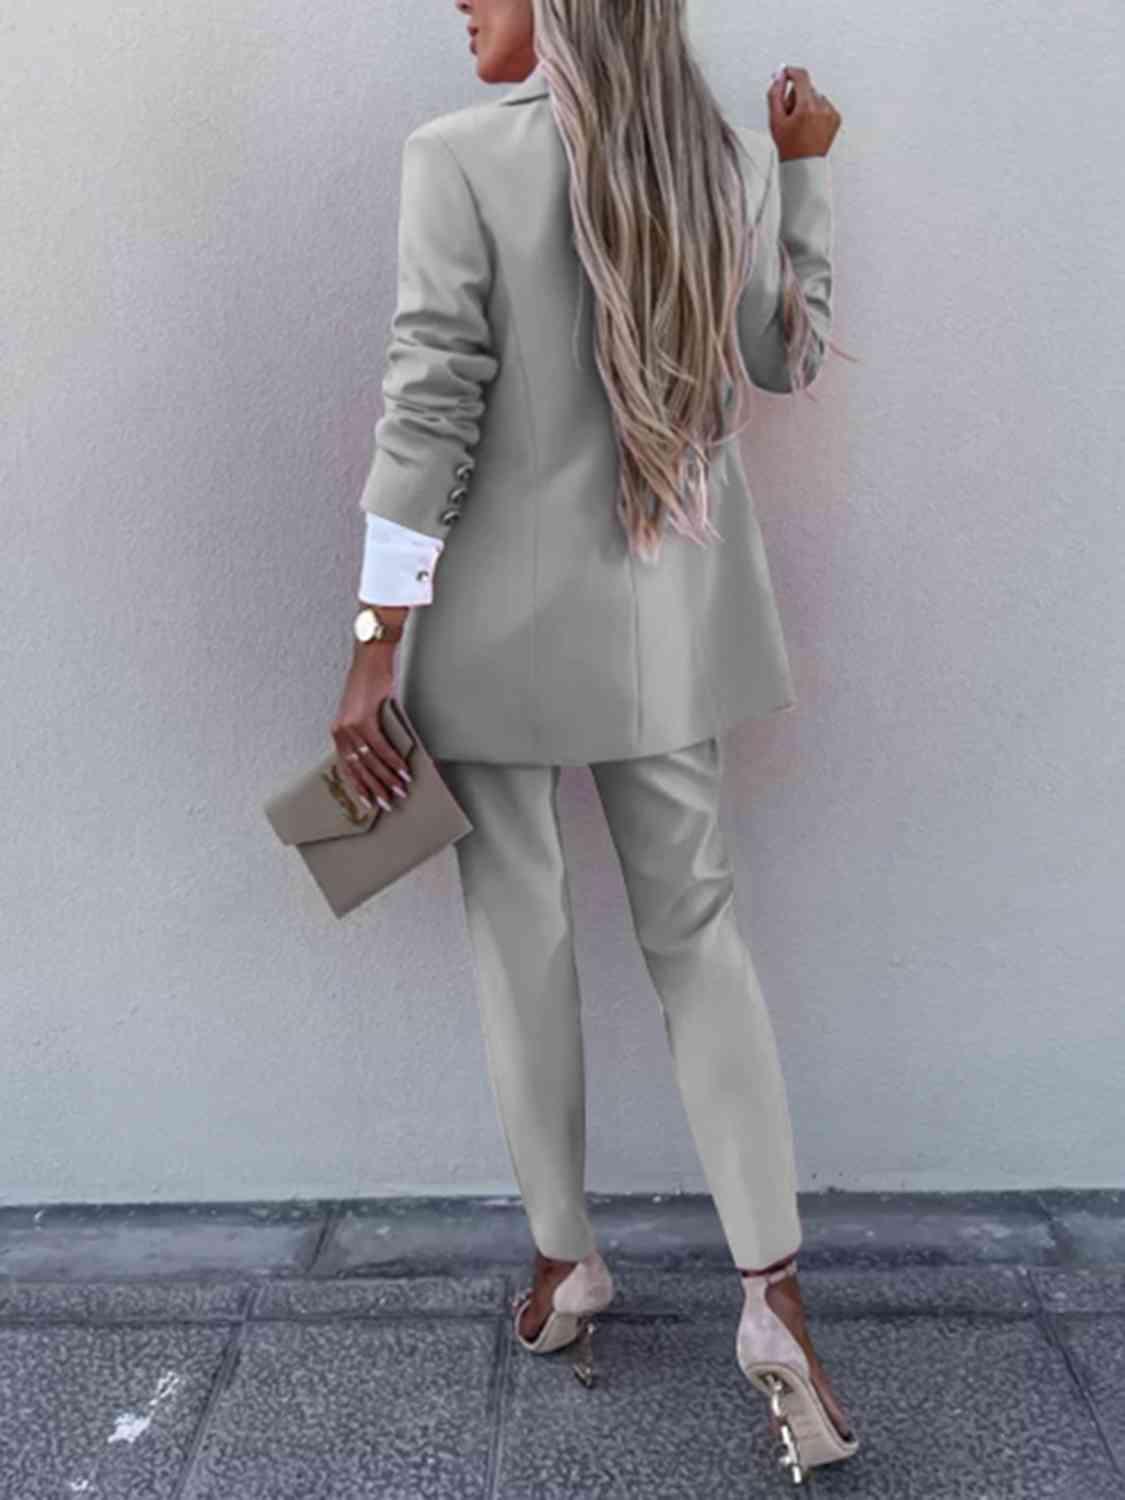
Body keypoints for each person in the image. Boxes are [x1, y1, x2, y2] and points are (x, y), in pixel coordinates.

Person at [331, 0, 855, 1480]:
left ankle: (567, 1268)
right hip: (664, 629)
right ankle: (774, 1299)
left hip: (494, 635)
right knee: (699, 940)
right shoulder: (719, 158)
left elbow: (428, 406)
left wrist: (371, 649)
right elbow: (782, 359)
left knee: (521, 936)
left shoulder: (456, 159)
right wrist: (802, 171)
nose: (460, 4)